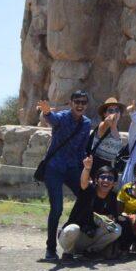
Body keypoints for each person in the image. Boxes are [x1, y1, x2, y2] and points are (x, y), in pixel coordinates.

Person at [37, 91, 93, 260]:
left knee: (87, 194)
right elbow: (52, 119)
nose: (80, 105)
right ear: (70, 103)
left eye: (83, 102)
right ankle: (51, 248)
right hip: (54, 168)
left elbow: (82, 149)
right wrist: (46, 112)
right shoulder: (62, 117)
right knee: (57, 208)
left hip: (72, 168)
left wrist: (86, 170)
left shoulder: (86, 123)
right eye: (77, 101)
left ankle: (72, 233)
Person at [58, 156, 121, 260]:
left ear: (114, 183)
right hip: (73, 236)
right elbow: (83, 183)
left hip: (90, 238)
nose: (106, 180)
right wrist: (87, 168)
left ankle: (91, 251)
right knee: (73, 229)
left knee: (116, 229)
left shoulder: (112, 197)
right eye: (103, 177)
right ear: (96, 180)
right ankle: (68, 253)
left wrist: (109, 220)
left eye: (110, 178)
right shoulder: (88, 191)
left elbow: (112, 218)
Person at [88, 97, 125, 173]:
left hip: (108, 169)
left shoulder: (116, 128)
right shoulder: (103, 125)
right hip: (96, 167)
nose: (114, 113)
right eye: (111, 111)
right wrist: (108, 121)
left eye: (117, 110)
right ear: (105, 114)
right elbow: (105, 123)